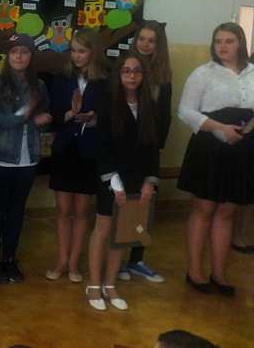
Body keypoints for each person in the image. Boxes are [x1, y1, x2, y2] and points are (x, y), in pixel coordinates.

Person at [177, 22, 254, 296]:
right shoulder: (203, 73)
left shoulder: (253, 73)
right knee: (205, 209)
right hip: (210, 146)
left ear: (240, 43)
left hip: (243, 148)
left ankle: (219, 274)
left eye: (229, 41)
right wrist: (220, 128)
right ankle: (195, 272)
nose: (222, 46)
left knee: (227, 211)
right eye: (218, 41)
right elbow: (185, 111)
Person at [86, 54, 160, 312]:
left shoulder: (149, 105)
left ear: (143, 75)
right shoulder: (108, 104)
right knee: (104, 228)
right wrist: (114, 182)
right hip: (111, 178)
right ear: (118, 74)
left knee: (123, 232)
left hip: (137, 180)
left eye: (137, 71)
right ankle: (94, 284)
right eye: (126, 70)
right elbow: (102, 146)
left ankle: (110, 284)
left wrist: (149, 182)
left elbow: (153, 148)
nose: (132, 75)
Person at [0, 33, 51, 285]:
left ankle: (9, 258)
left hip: (29, 157)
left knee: (17, 211)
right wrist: (22, 116)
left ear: (31, 56)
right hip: (2, 157)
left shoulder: (39, 86)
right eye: (14, 52)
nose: (19, 56)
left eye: (24, 52)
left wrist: (43, 121)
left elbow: (43, 118)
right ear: (7, 56)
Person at [46, 30, 106, 283]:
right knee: (63, 209)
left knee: (82, 211)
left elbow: (109, 116)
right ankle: (61, 260)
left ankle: (73, 262)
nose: (77, 56)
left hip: (88, 151)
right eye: (73, 50)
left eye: (82, 51)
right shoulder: (61, 78)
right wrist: (68, 115)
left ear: (93, 52)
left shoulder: (104, 81)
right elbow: (52, 114)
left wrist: (93, 119)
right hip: (64, 150)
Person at [118, 21, 172, 283]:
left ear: (158, 45)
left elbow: (165, 114)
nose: (146, 44)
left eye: (152, 40)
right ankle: (118, 261)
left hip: (148, 148)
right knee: (123, 205)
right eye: (142, 38)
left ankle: (136, 259)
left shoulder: (163, 76)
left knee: (145, 204)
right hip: (124, 147)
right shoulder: (124, 66)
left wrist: (156, 144)